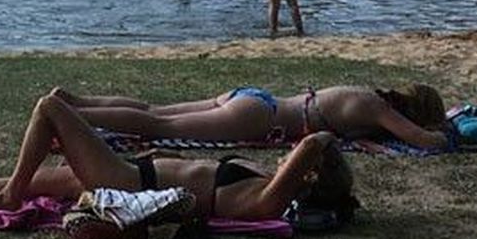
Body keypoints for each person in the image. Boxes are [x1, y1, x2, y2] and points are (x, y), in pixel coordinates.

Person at [0, 93, 355, 223]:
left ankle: (9, 197)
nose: (286, 159)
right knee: (43, 178)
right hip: (135, 174)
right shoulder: (266, 184)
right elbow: (197, 175)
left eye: (296, 161)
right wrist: (161, 156)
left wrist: (325, 145)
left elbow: (314, 141)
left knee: (49, 109)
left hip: (129, 185)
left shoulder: (269, 201)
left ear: (308, 175)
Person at [48, 82, 452, 151]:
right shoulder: (378, 110)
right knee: (160, 127)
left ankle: (77, 102)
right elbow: (424, 141)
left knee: (155, 111)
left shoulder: (366, 95)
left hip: (256, 98)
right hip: (261, 118)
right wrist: (450, 130)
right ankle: (71, 113)